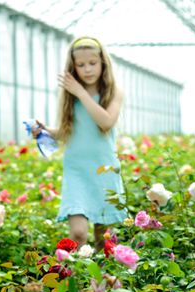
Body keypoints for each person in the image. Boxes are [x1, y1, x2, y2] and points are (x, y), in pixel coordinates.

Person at [32, 36, 127, 251]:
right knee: (78, 233)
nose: (87, 69)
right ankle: (73, 279)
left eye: (92, 63)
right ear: (73, 66)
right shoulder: (71, 95)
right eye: (81, 64)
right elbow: (69, 133)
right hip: (76, 171)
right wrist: (46, 131)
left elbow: (106, 122)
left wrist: (81, 93)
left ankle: (103, 282)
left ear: (103, 63)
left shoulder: (112, 92)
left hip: (104, 170)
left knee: (105, 240)